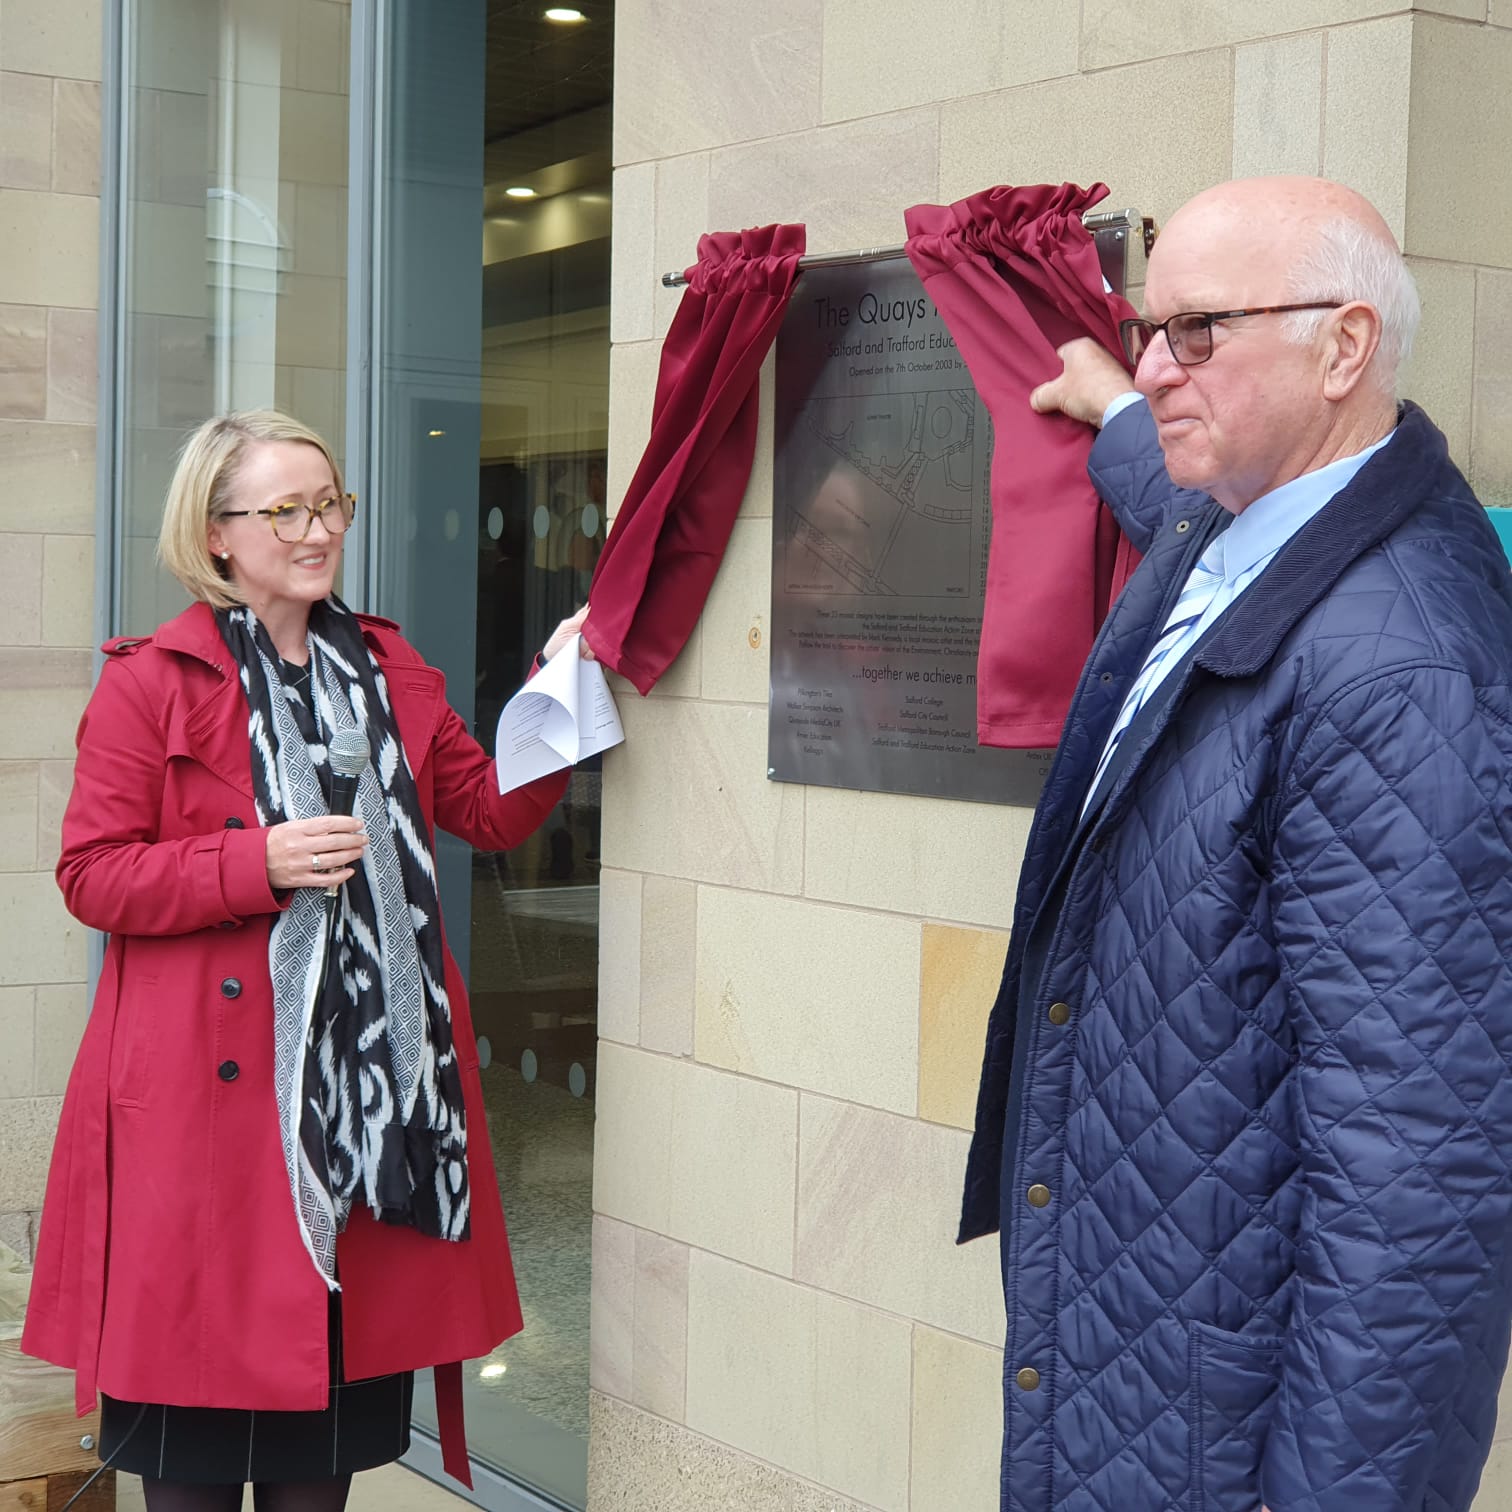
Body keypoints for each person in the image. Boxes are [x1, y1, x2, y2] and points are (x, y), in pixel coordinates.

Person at [960, 176, 1512, 1512]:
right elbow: (1172, 475)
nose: (1159, 365)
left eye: (1198, 332)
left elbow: (1420, 1189)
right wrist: (1109, 408)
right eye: (1150, 332)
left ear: (1344, 347)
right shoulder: (1259, 509)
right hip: (1128, 1359)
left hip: (1217, 1431)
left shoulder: (1404, 673)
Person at [22, 411, 591, 1512]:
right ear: (219, 533)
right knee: (189, 1474)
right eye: (286, 510)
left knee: (315, 1478)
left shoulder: (388, 668)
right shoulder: (156, 682)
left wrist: (558, 694)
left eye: (330, 503)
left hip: (360, 1129)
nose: (319, 528)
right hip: (202, 1137)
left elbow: (488, 810)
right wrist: (255, 862)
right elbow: (93, 874)